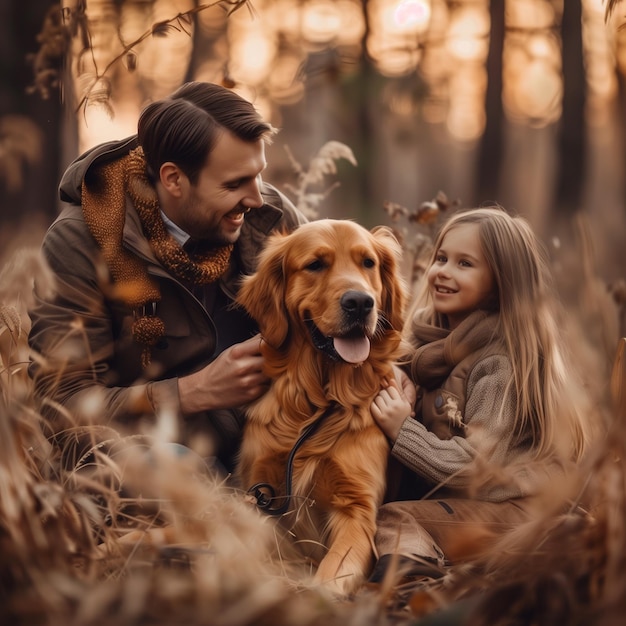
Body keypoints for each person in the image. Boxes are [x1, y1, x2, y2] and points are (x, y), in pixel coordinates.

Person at [28, 81, 307, 473]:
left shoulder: (268, 218)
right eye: (233, 184)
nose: (257, 198)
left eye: (257, 175)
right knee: (179, 470)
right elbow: (63, 413)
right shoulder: (81, 242)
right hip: (149, 462)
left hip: (269, 447)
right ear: (173, 179)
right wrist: (191, 392)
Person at [368, 205, 588, 583]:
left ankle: (409, 596)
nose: (443, 272)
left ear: (502, 282)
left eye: (465, 264)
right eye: (441, 258)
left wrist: (403, 430)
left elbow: (476, 467)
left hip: (516, 509)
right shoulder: (430, 349)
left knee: (397, 519)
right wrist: (397, 373)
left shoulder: (498, 363)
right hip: (468, 508)